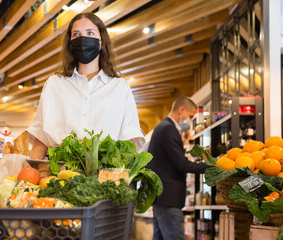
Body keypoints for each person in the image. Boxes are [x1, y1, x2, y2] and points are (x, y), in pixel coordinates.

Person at [27, 12, 144, 160]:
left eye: (90, 33)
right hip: (59, 172)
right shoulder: (54, 84)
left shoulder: (120, 87)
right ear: (70, 42)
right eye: (76, 34)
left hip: (103, 173)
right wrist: (30, 176)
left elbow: (129, 139)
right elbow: (41, 137)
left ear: (101, 42)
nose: (83, 39)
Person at [147, 97, 207, 240]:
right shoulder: (169, 128)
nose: (190, 121)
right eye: (191, 116)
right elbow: (182, 164)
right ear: (182, 110)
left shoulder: (162, 127)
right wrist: (210, 166)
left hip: (161, 197)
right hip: (168, 198)